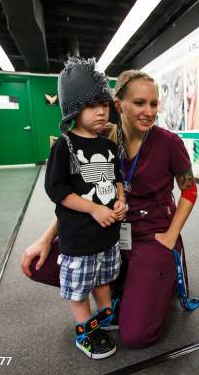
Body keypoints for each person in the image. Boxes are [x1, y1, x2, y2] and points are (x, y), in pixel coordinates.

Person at [21, 68, 198, 349]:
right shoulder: (100, 140)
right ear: (119, 105)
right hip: (104, 232)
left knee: (136, 336)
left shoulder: (168, 143)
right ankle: (123, 289)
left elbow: (189, 190)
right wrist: (46, 238)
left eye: (154, 103)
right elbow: (77, 194)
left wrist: (170, 238)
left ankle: (150, 285)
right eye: (139, 103)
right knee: (35, 264)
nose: (149, 111)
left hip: (151, 236)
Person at [46, 57, 126, 359]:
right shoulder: (64, 146)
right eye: (93, 105)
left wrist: (121, 200)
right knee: (79, 289)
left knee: (104, 279)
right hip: (78, 238)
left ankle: (105, 315)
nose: (102, 111)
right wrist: (93, 209)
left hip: (107, 236)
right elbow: (57, 190)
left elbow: (117, 177)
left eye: (104, 104)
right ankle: (86, 331)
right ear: (74, 109)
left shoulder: (107, 145)